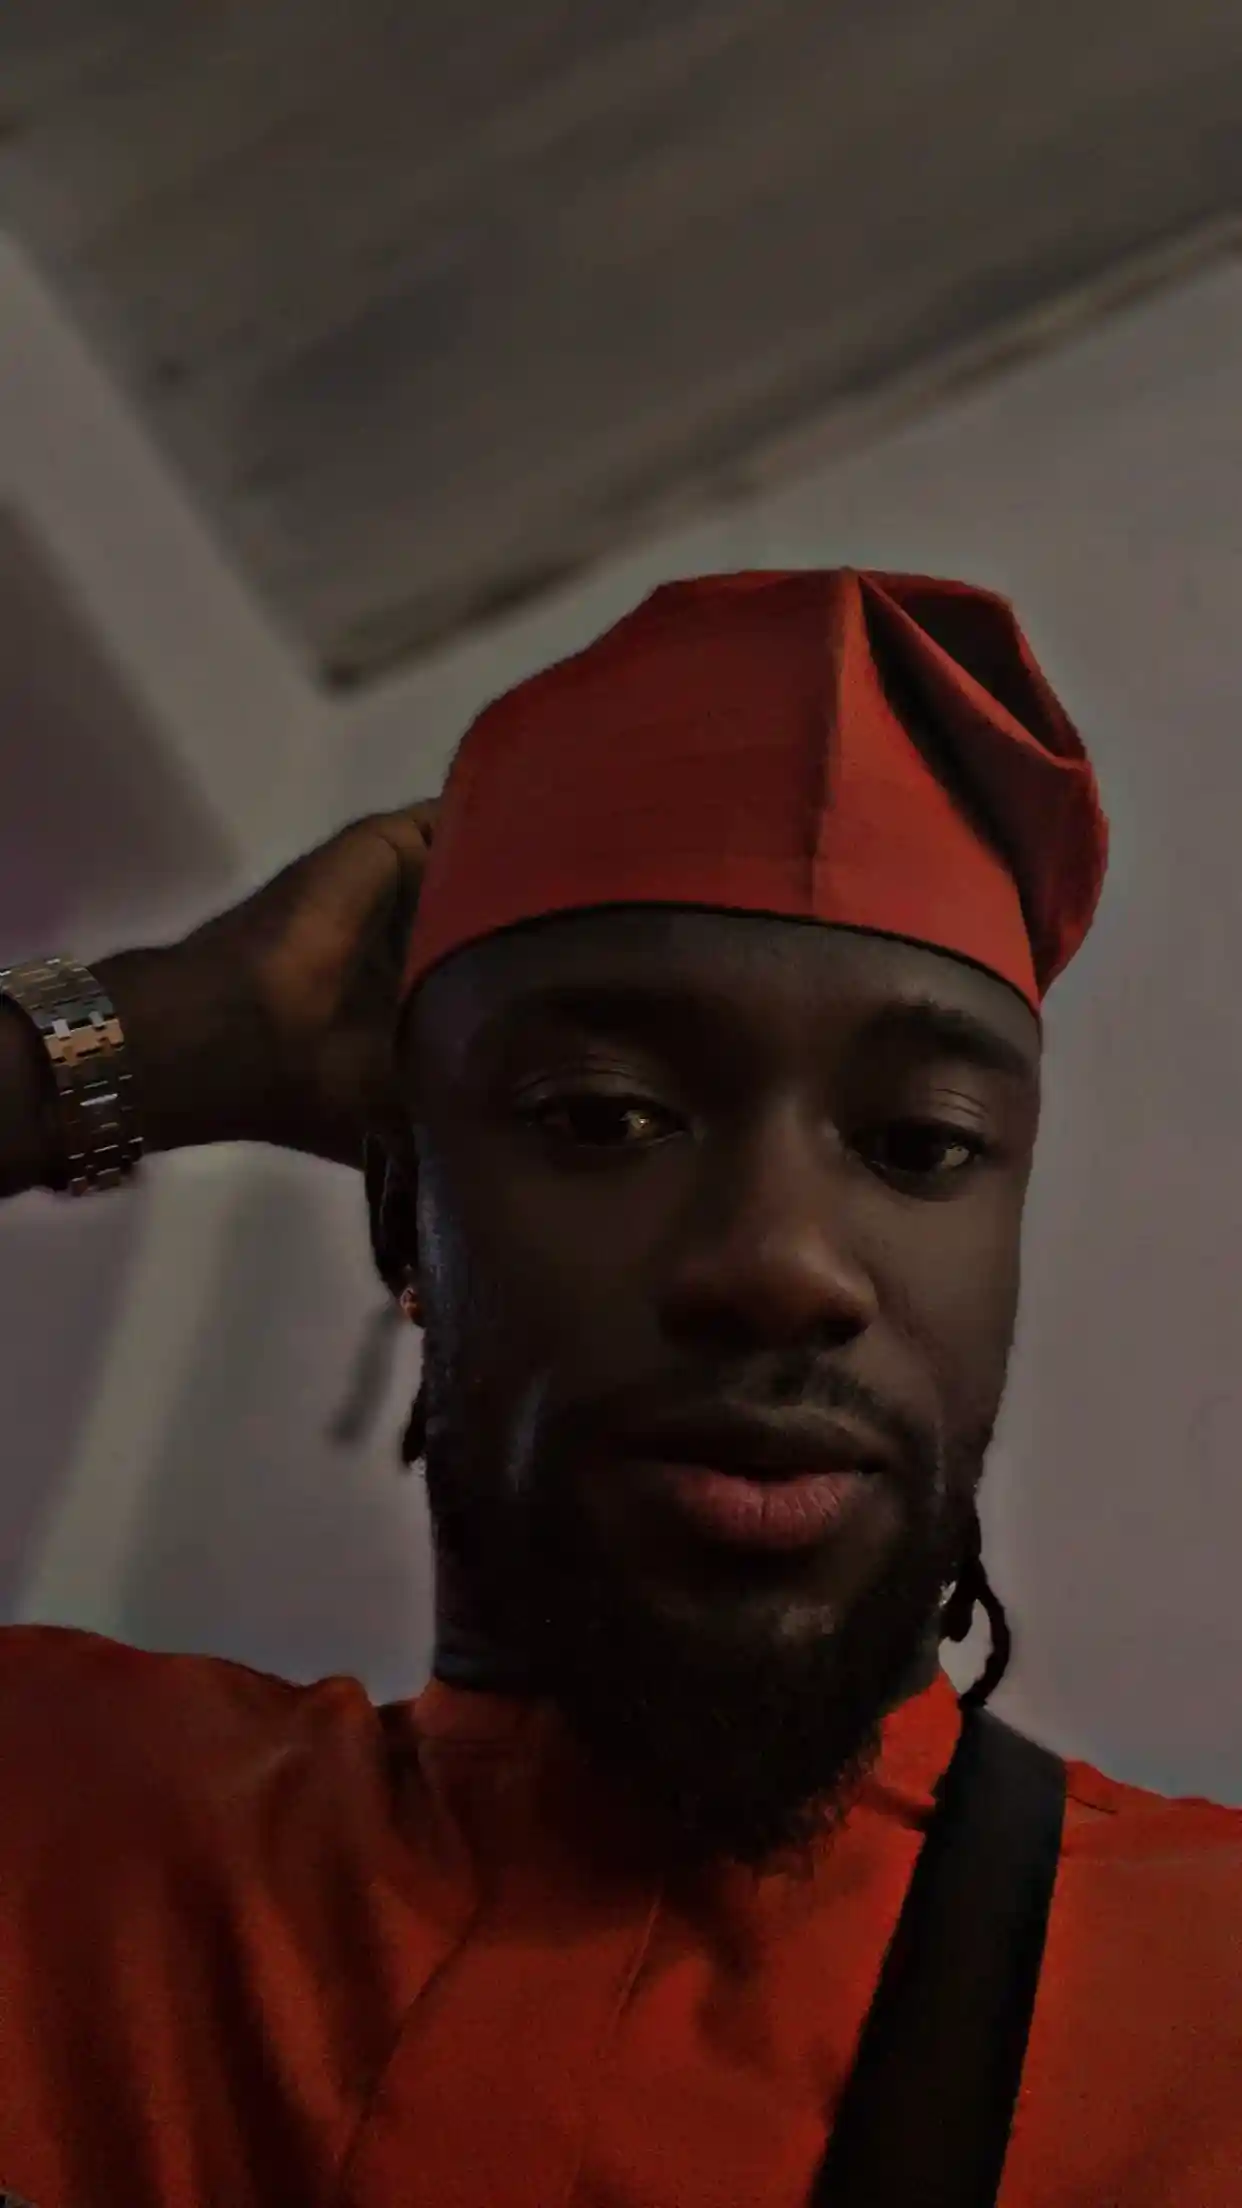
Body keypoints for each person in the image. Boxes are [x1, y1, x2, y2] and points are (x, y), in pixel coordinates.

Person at [0, 567, 1237, 2208]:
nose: (783, 1265)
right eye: (601, 1115)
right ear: (404, 1215)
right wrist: (146, 1042)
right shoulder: (52, 1817)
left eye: (919, 1144)